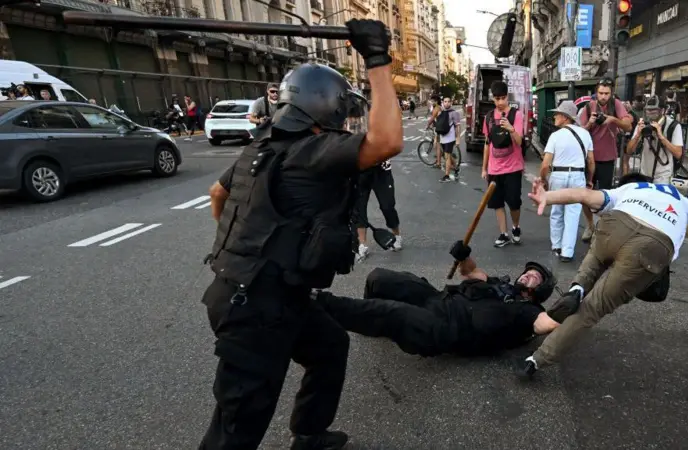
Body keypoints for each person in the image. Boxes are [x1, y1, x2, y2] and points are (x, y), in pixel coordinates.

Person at [201, 19, 403, 450]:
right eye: (343, 112)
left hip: (272, 294)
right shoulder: (313, 150)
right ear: (325, 106)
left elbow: (217, 193)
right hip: (255, 309)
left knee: (329, 346)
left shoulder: (265, 145)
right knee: (237, 426)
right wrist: (377, 60)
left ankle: (309, 434)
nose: (347, 122)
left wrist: (242, 245)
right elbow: (386, 140)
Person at [519, 172, 688, 379]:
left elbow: (583, 195)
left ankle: (578, 287)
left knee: (597, 256)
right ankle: (537, 360)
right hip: (653, 243)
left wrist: (547, 197)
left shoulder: (627, 189)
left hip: (617, 223)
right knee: (593, 308)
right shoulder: (682, 201)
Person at [314, 241, 572, 357]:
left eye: (535, 278)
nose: (528, 276)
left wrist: (571, 305)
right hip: (439, 299)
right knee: (379, 278)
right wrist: (463, 255)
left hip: (444, 329)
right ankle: (370, 323)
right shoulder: (501, 285)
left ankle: (319, 303)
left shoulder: (527, 311)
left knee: (391, 313)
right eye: (528, 272)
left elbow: (545, 324)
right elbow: (472, 272)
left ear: (540, 291)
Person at [577, 78, 632, 242]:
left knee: (606, 196)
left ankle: (602, 228)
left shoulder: (615, 104)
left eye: (606, 93)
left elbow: (628, 126)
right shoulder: (589, 106)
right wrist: (590, 123)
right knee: (585, 194)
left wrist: (613, 119)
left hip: (608, 158)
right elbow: (580, 131)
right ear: (596, 92)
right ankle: (590, 225)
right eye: (600, 93)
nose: (603, 97)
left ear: (611, 93)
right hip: (589, 158)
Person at [539, 101, 595, 262]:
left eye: (557, 114)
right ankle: (567, 252)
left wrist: (543, 180)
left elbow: (545, 164)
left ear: (565, 117)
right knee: (573, 213)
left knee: (557, 210)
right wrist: (589, 180)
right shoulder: (585, 134)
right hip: (578, 176)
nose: (554, 116)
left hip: (558, 174)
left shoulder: (555, 136)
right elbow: (591, 161)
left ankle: (556, 244)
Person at [481, 81, 526, 248]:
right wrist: (484, 168)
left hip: (513, 167)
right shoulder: (489, 117)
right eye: (497, 99)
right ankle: (503, 233)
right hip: (494, 169)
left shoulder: (517, 115)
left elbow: (520, 141)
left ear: (508, 97)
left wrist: (511, 128)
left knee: (514, 202)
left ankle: (515, 227)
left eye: (503, 98)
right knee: (497, 203)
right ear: (493, 99)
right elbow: (487, 143)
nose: (500, 102)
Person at [354, 157, 403, 262]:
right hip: (359, 171)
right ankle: (362, 244)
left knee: (388, 206)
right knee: (359, 208)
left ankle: (396, 235)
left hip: (382, 170)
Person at [625, 96, 684, 184]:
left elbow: (678, 154)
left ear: (662, 110)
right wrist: (638, 135)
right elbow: (629, 151)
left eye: (654, 110)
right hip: (644, 174)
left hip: (663, 176)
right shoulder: (642, 124)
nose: (650, 113)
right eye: (648, 110)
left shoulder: (673, 126)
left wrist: (661, 137)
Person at [433, 95, 462, 182]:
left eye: (448, 101)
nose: (447, 103)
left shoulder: (454, 113)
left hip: (450, 138)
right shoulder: (440, 112)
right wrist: (435, 138)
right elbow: (437, 126)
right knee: (446, 154)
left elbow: (458, 126)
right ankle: (456, 168)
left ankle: (447, 176)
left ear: (451, 103)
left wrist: (458, 138)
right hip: (442, 137)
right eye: (445, 101)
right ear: (443, 103)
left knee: (447, 156)